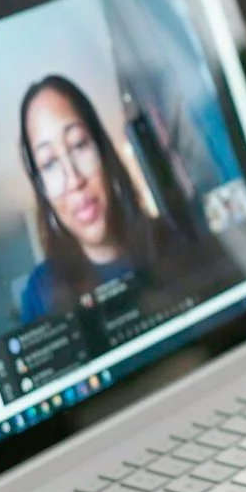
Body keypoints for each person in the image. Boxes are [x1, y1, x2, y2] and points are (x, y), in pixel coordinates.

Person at [16, 73, 172, 322]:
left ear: (103, 150)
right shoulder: (40, 293)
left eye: (79, 145)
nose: (74, 179)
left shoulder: (171, 237)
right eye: (49, 163)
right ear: (42, 189)